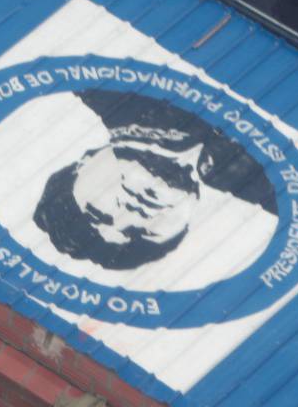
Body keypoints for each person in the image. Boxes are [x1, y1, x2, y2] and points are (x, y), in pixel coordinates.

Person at [31, 91, 277, 277]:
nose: (132, 214)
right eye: (139, 233)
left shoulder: (106, 91)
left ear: (82, 166)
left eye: (99, 215)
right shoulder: (267, 188)